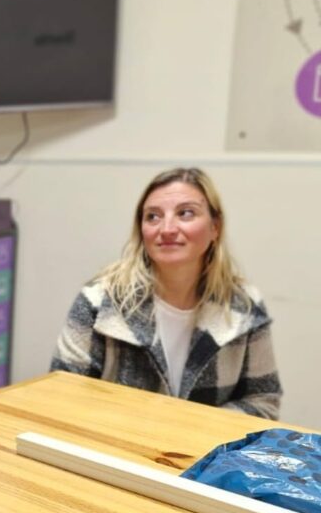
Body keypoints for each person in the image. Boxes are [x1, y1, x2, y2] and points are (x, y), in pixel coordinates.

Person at [51, 167, 281, 419]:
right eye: (153, 217)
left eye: (185, 213)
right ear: (142, 231)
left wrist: (190, 428)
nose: (167, 228)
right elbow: (63, 396)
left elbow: (263, 402)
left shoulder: (243, 305)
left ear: (215, 227)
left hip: (207, 444)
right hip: (114, 441)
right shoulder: (100, 301)